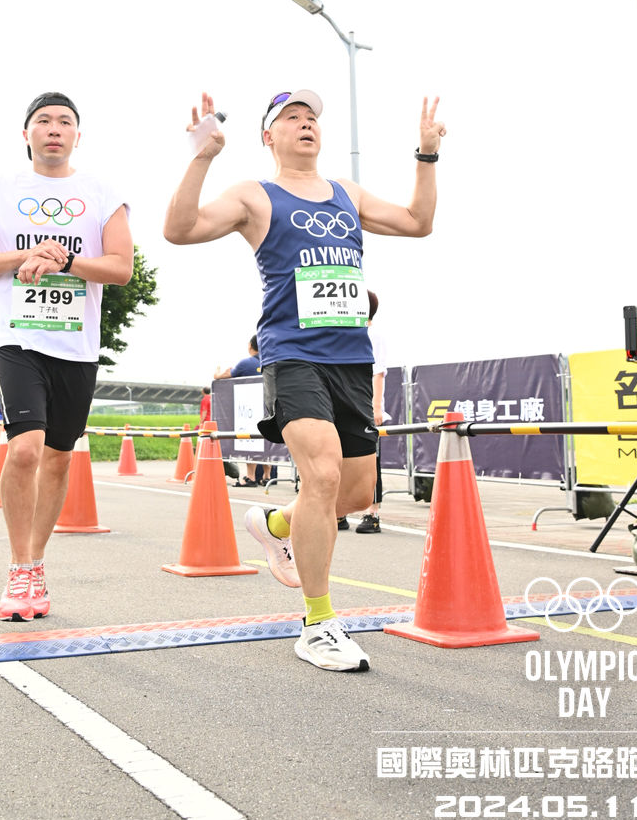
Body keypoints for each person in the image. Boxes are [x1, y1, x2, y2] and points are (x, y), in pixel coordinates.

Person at [164, 89, 444, 672]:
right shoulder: (254, 194)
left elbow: (418, 223)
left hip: (351, 359)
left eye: (311, 117)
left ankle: (275, 524)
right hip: (292, 354)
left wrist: (426, 155)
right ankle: (318, 625)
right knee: (321, 474)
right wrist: (203, 157)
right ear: (269, 136)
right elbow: (180, 229)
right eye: (291, 118)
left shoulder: (348, 194)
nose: (305, 124)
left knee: (356, 494)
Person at [0, 91, 134, 622]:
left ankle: (36, 563)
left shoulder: (102, 192)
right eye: (43, 121)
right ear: (26, 133)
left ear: (78, 134)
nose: (54, 128)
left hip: (75, 343)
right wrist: (27, 255)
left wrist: (68, 261)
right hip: (16, 337)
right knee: (26, 449)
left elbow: (121, 268)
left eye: (64, 121)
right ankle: (18, 569)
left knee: (58, 456)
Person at [213, 335, 272, 487]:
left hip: (250, 409)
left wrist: (218, 372)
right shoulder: (270, 362)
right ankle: (267, 476)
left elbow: (222, 376)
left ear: (250, 346)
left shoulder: (246, 363)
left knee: (250, 441)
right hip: (269, 407)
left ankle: (250, 477)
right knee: (267, 440)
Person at [354, 291, 388, 534]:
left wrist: (376, 407)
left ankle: (372, 513)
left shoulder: (372, 334)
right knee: (345, 459)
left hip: (366, 407)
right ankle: (340, 513)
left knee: (371, 461)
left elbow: (378, 373)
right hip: (349, 404)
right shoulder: (349, 333)